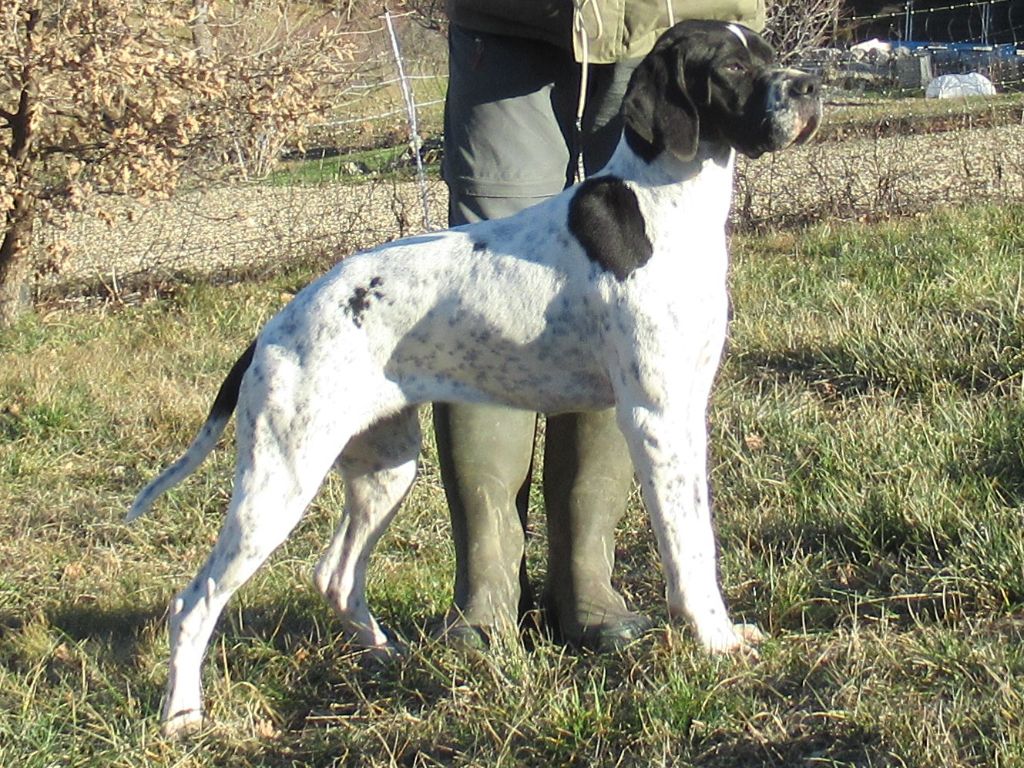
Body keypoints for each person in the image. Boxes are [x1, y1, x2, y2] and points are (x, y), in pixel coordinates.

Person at [436, 0, 766, 652]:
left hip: (667, 20)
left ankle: (586, 583)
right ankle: (487, 586)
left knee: (626, 294)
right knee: (483, 283)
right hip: (509, 26)